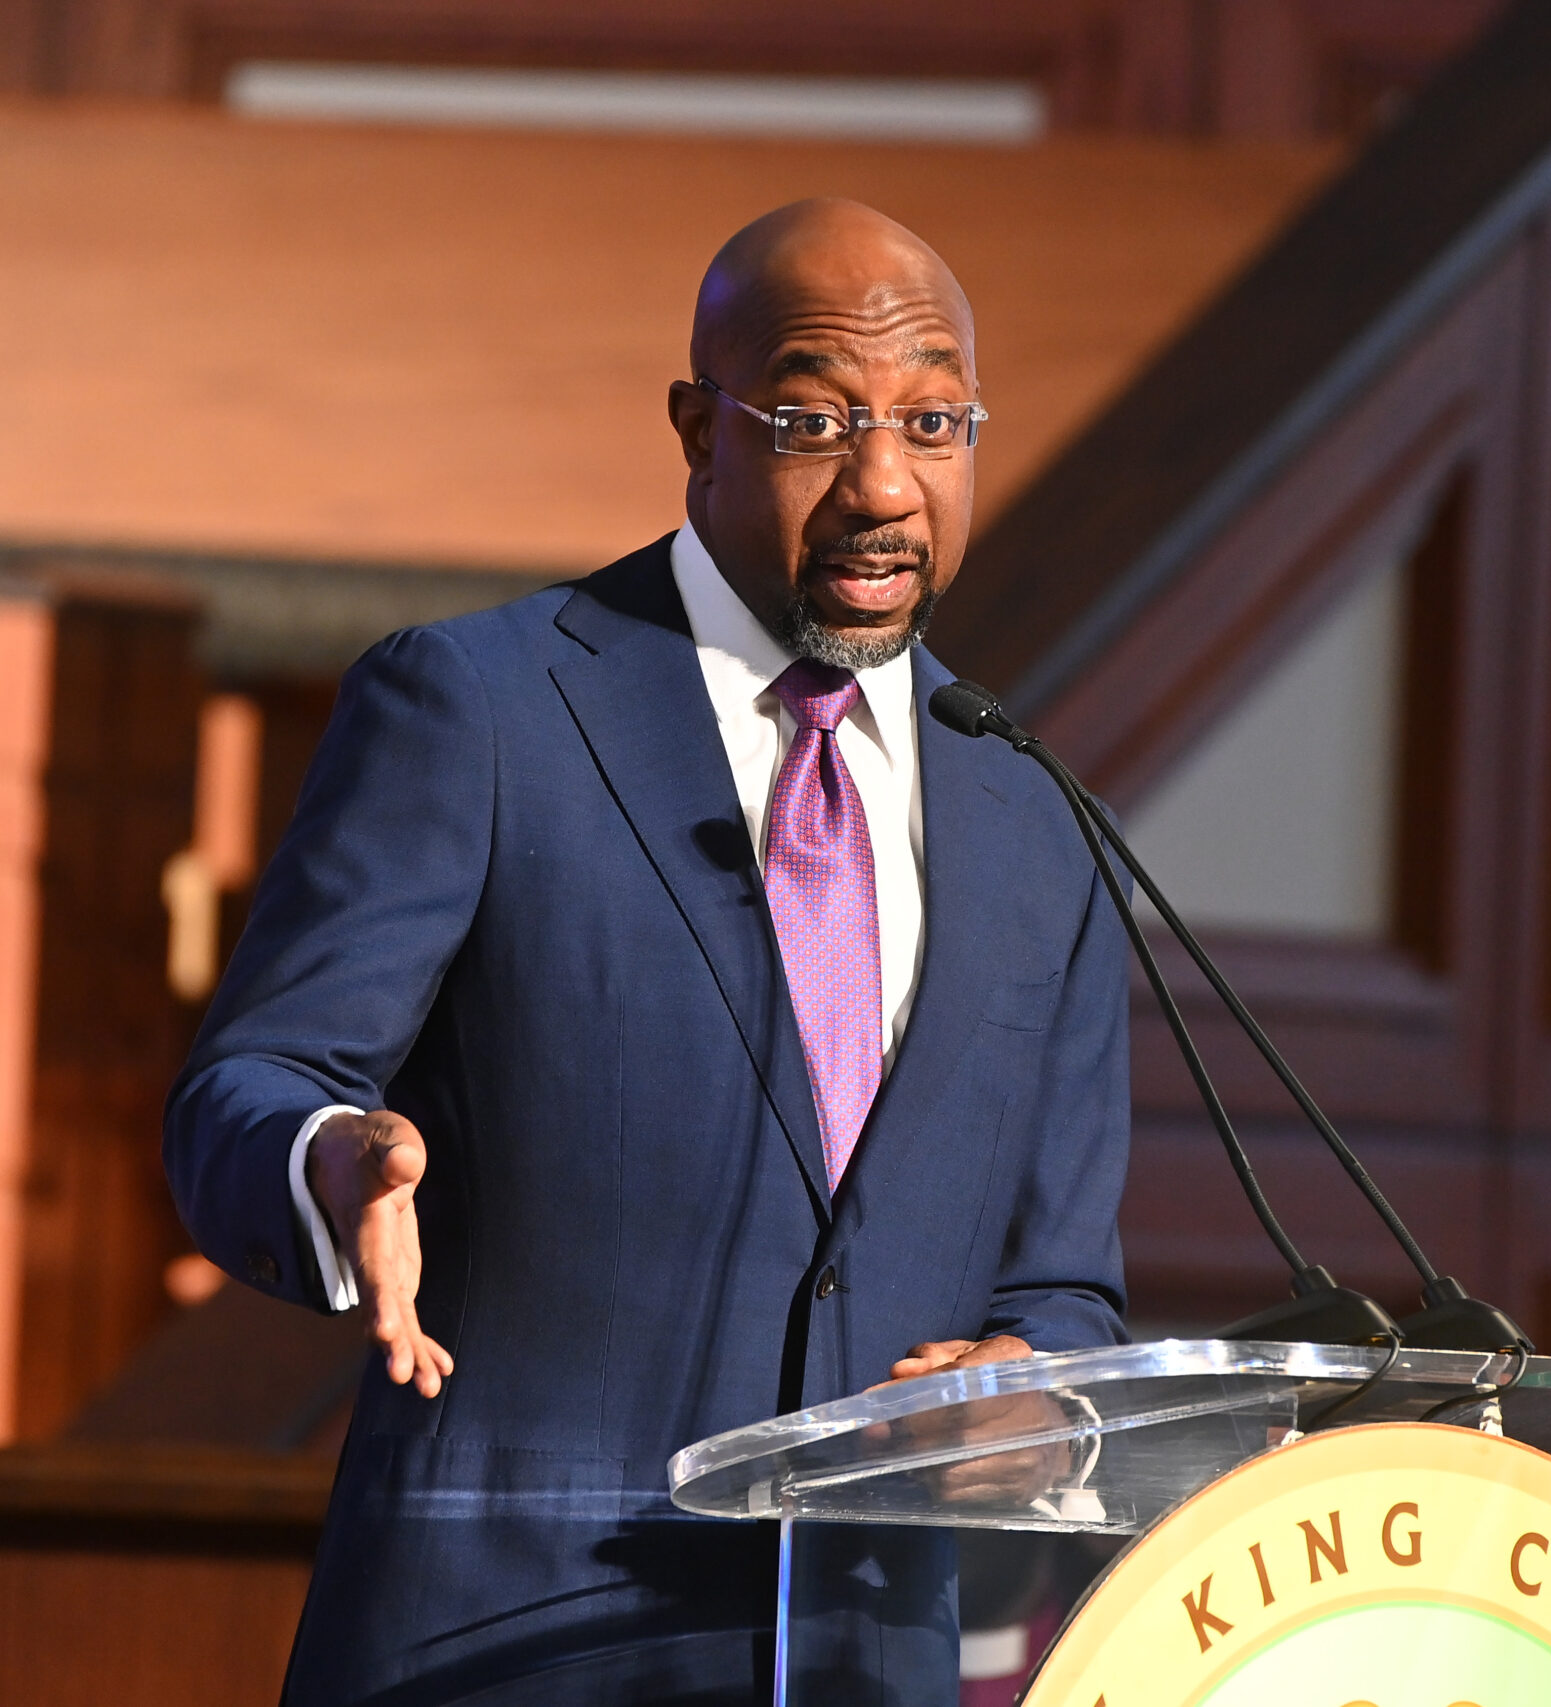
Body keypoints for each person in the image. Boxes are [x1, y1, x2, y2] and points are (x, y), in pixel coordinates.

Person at [165, 197, 1131, 1705]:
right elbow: (244, 1088)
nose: (887, 485)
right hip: (499, 1651)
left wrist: (1038, 1403)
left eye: (935, 421)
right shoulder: (480, 710)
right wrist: (331, 1157)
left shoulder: (1033, 814)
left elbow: (1065, 1285)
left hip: (859, 1659)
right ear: (700, 428)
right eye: (816, 420)